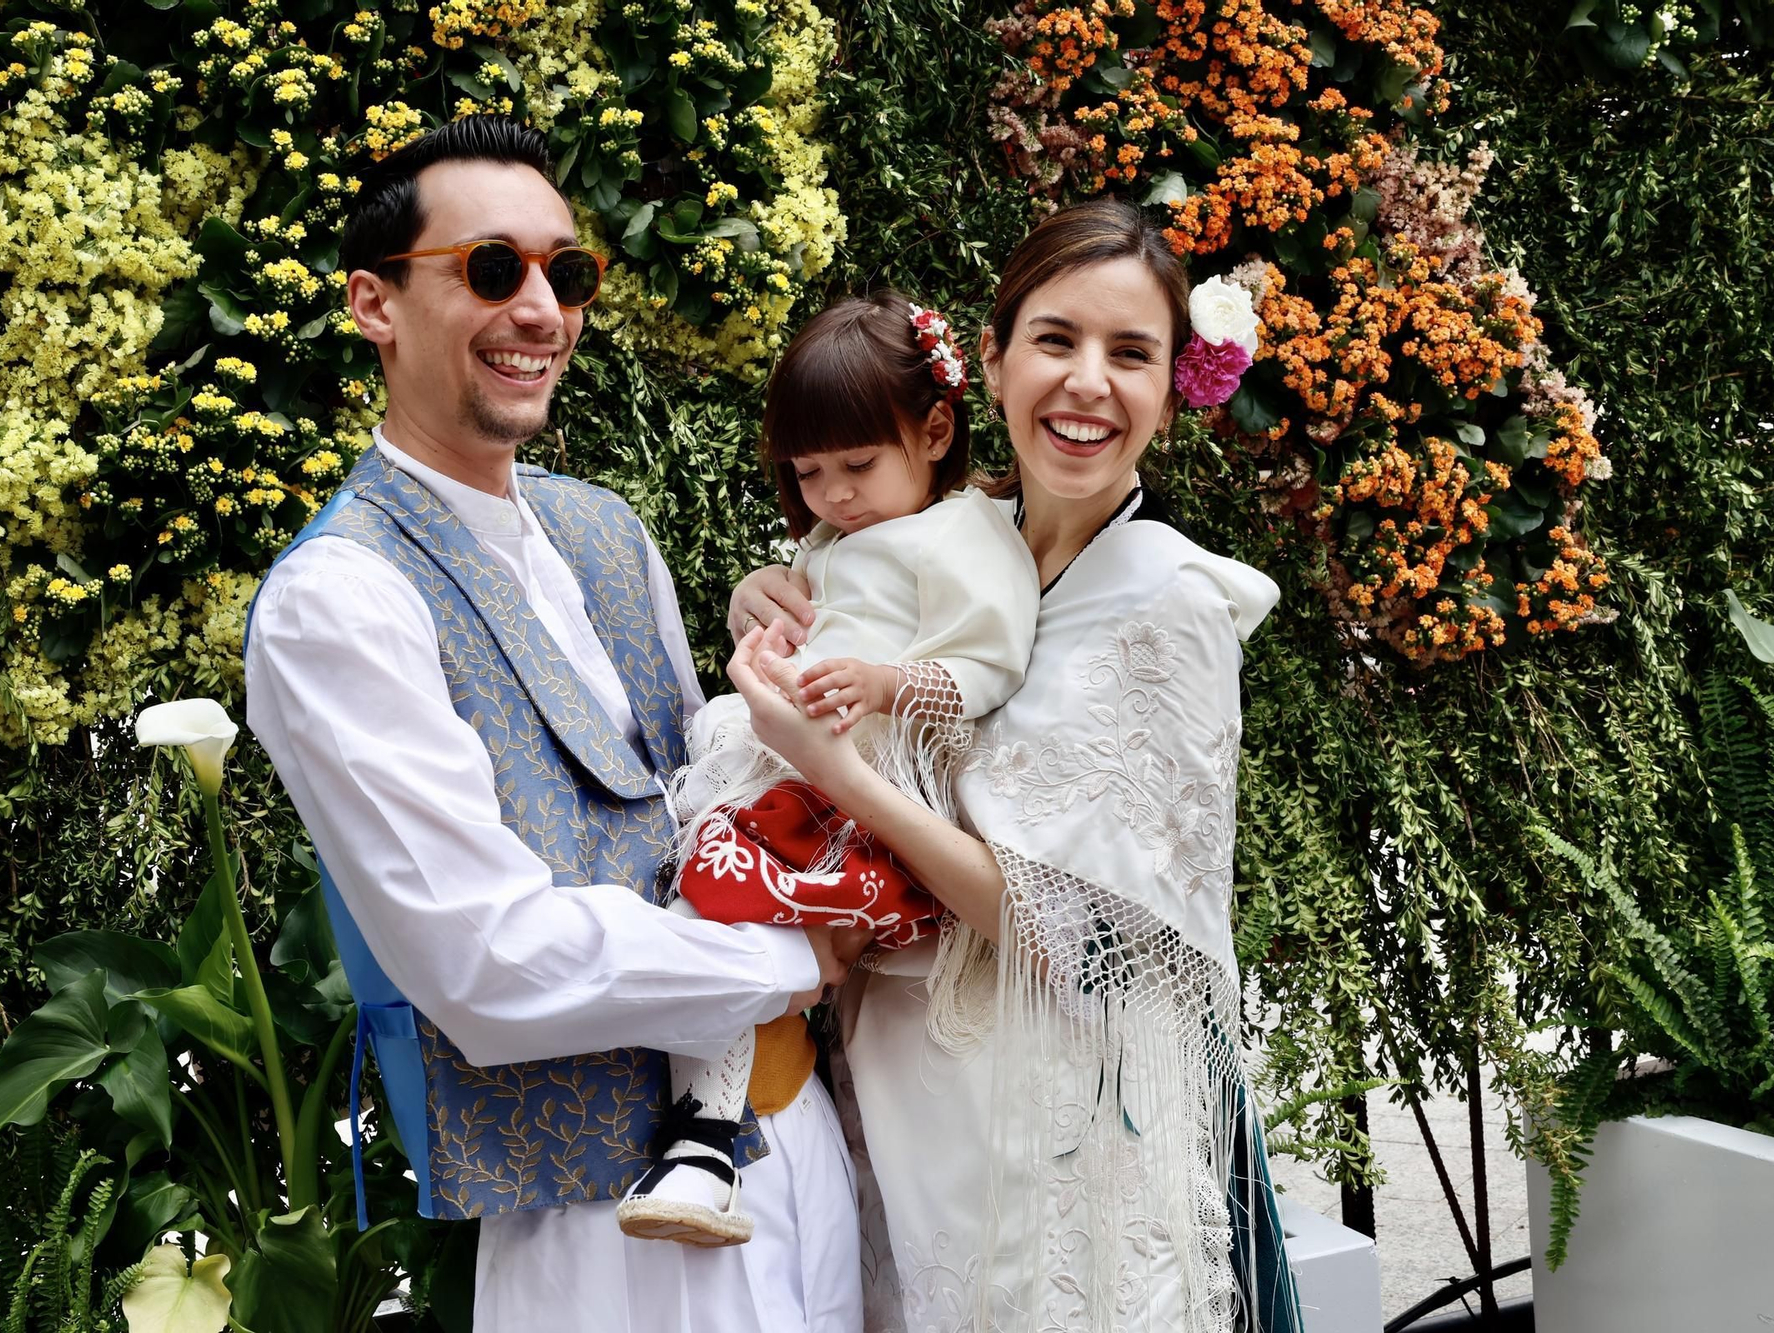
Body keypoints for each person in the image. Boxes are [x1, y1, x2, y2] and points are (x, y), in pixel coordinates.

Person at [242, 116, 859, 1333]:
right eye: (490, 268)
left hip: (798, 1154)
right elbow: (486, 961)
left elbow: (711, 812)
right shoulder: (337, 601)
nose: (539, 309)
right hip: (602, 1227)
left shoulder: (604, 531)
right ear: (373, 303)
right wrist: (795, 958)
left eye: (564, 274)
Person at [728, 195, 1305, 1332]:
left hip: (1055, 1138)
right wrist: (777, 602)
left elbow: (1070, 933)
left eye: (1128, 352)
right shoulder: (943, 539)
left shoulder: (1164, 603)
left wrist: (834, 769)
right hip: (902, 1098)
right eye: (1055, 340)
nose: (1087, 381)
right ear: (990, 364)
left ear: (1167, 391)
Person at [615, 292, 1040, 1248]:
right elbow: (801, 602)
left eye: (858, 464)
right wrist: (748, 601)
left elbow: (988, 670)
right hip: (798, 772)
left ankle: (704, 1141)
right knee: (707, 904)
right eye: (810, 472)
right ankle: (707, 1137)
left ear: (936, 429)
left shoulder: (968, 536)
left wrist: (887, 681)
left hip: (859, 791)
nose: (836, 493)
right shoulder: (841, 534)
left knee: (718, 909)